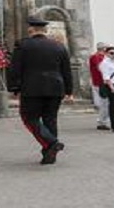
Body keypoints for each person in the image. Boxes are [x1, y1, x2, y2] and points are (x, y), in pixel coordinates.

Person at [7, 17, 73, 165]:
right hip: (56, 88)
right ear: (45, 31)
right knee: (50, 119)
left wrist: (14, 87)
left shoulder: (23, 45)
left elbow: (15, 68)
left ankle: (51, 143)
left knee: (29, 118)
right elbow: (66, 71)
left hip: (32, 88)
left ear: (31, 30)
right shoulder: (59, 46)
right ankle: (49, 153)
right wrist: (69, 90)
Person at [88, 42, 111, 130]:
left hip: (104, 82)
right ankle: (102, 122)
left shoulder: (104, 57)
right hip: (99, 82)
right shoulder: (96, 57)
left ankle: (104, 121)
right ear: (104, 49)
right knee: (105, 102)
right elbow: (100, 67)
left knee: (106, 102)